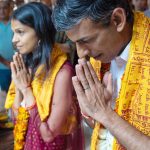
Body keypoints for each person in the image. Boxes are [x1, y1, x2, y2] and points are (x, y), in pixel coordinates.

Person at [52, 0, 150, 150]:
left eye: (85, 40)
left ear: (117, 20)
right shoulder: (99, 59)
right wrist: (91, 110)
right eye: (75, 44)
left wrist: (104, 113)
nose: (81, 53)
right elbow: (100, 127)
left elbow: (104, 116)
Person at [5, 2, 83, 150]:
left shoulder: (62, 73)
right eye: (14, 32)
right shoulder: (27, 65)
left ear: (40, 32)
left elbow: (48, 134)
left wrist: (27, 90)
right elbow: (16, 118)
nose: (14, 40)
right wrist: (20, 89)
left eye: (20, 32)